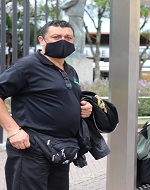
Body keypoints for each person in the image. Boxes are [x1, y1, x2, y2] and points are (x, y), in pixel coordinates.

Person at [0, 20, 92, 190]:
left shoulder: (70, 70)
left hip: (61, 149)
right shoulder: (27, 66)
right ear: (42, 40)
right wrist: (13, 131)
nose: (63, 41)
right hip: (31, 148)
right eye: (56, 37)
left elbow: (63, 99)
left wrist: (84, 108)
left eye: (68, 37)